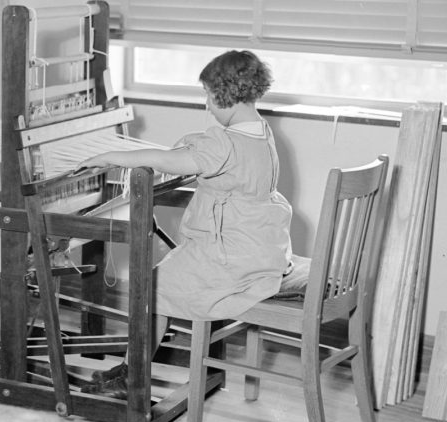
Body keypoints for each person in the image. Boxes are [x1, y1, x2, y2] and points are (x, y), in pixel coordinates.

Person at [77, 49, 294, 398]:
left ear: (227, 95)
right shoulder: (262, 133)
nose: (206, 105)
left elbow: (166, 159)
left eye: (208, 96)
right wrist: (190, 146)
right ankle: (134, 368)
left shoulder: (223, 142)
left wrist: (110, 157)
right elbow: (212, 154)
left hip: (230, 256)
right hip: (261, 248)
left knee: (150, 285)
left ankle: (131, 377)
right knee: (163, 277)